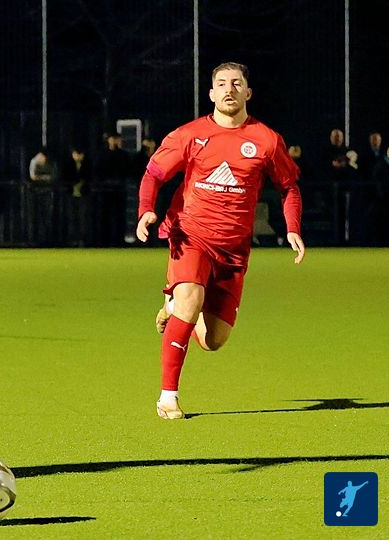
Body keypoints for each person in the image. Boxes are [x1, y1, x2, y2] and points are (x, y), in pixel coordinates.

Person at [136, 62, 305, 420]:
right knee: (191, 298)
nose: (229, 89)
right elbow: (153, 174)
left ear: (248, 92)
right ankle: (168, 397)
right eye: (222, 84)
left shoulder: (266, 140)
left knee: (213, 341)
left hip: (234, 250)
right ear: (212, 93)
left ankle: (173, 307)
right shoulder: (190, 135)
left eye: (237, 83)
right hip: (190, 235)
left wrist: (292, 227)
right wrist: (146, 210)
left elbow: (288, 187)